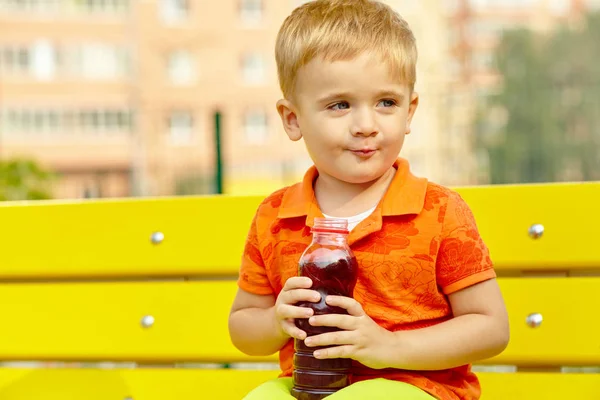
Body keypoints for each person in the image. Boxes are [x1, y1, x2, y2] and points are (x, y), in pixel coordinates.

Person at [227, 1, 510, 399]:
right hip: (311, 386)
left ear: (409, 111)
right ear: (293, 119)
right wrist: (277, 321)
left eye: (386, 103)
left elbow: (490, 328)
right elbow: (243, 327)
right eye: (340, 105)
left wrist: (389, 347)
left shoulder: (439, 211)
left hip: (416, 387)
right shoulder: (275, 217)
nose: (366, 126)